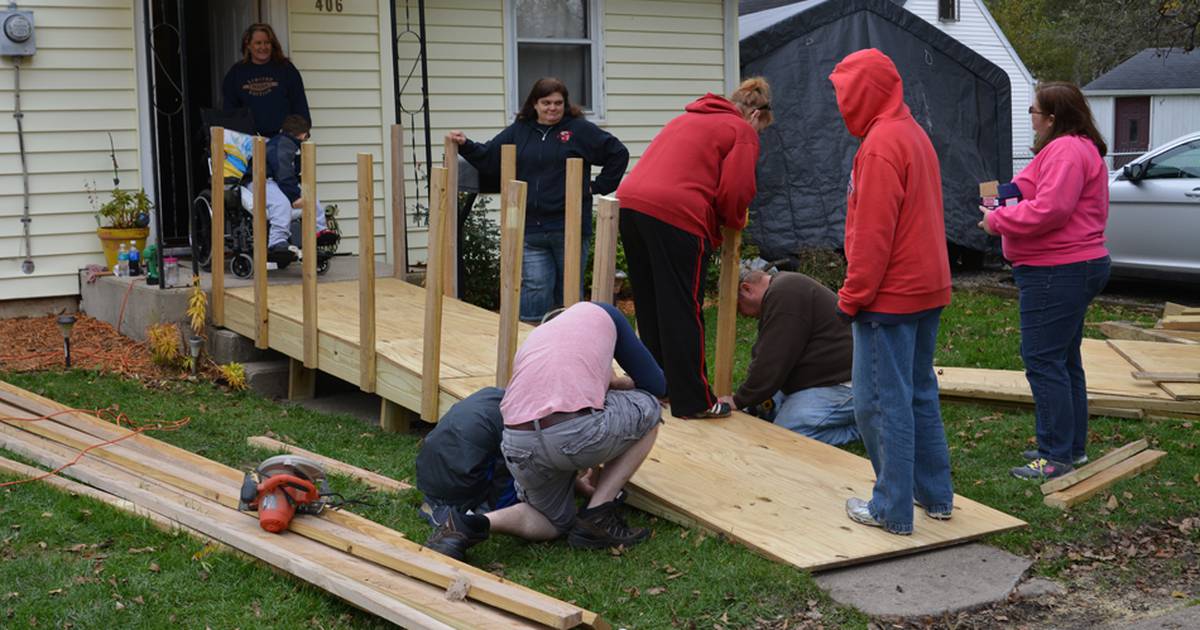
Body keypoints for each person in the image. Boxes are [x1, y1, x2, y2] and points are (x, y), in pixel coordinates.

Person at [424, 301, 666, 561]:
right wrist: (621, 382)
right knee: (649, 408)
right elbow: (657, 385)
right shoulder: (605, 314)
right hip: (571, 434)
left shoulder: (536, 340)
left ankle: (467, 524)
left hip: (518, 441)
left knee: (551, 521)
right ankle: (599, 513)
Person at [829, 49, 954, 536]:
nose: (841, 106)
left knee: (880, 402)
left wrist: (851, 296)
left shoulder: (879, 146)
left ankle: (891, 509)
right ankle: (936, 496)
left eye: (845, 94)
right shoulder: (912, 132)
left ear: (865, 92)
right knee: (919, 393)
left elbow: (872, 235)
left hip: (890, 296)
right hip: (927, 288)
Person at [615, 78, 774, 419]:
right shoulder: (742, 130)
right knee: (682, 307)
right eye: (762, 129)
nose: (759, 136)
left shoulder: (686, 117)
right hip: (677, 214)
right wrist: (733, 221)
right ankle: (695, 401)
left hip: (631, 205)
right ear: (756, 114)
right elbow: (736, 190)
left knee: (652, 302)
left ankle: (657, 386)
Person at [978, 82, 1111, 481]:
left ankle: (1054, 457)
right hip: (1069, 267)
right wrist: (995, 195)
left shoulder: (1068, 150)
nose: (1031, 118)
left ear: (1053, 117)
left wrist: (995, 221)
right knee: (1064, 360)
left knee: (1043, 360)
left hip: (1058, 270)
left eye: (1034, 112)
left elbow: (1052, 209)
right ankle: (1071, 448)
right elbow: (1029, 190)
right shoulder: (1067, 148)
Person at [448, 78, 629, 323]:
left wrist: (595, 187)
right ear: (534, 104)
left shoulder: (579, 130)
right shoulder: (520, 130)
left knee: (568, 293)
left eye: (558, 103)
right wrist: (465, 145)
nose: (552, 108)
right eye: (546, 103)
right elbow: (490, 158)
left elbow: (618, 153)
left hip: (570, 227)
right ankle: (530, 339)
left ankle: (569, 344)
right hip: (531, 227)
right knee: (535, 288)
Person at [719, 270, 858, 445]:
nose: (742, 315)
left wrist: (738, 401)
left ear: (747, 289)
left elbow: (772, 360)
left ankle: (859, 429)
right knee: (765, 412)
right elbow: (768, 353)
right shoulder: (783, 289)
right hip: (822, 379)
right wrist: (749, 397)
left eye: (738, 307)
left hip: (847, 384)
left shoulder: (785, 293)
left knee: (785, 434)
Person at [415, 387, 518, 527]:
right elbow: (506, 472)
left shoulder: (490, 394)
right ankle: (472, 512)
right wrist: (498, 508)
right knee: (517, 463)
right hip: (459, 481)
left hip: (426, 472)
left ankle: (438, 502)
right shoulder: (515, 419)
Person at [240, 114, 333, 253]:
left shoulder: (289, 145)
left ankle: (320, 231)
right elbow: (284, 173)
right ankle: (277, 241)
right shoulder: (283, 144)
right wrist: (294, 197)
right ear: (303, 134)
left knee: (312, 200)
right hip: (261, 181)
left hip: (277, 182)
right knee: (281, 204)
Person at [222, 23, 310, 138]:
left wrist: (301, 133)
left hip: (283, 139)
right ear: (248, 45)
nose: (263, 47)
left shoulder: (286, 69)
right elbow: (229, 112)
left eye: (267, 42)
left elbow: (299, 105)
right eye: (258, 43)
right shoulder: (236, 73)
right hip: (248, 142)